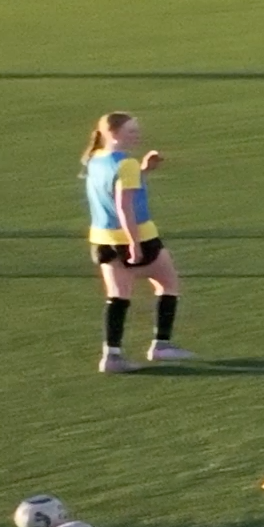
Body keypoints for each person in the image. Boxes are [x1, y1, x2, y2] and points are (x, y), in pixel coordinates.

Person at [79, 111, 188, 373]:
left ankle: (112, 356)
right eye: (131, 131)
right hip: (138, 235)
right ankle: (162, 345)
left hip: (102, 240)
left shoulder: (95, 159)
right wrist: (135, 243)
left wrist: (144, 171)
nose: (137, 135)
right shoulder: (125, 164)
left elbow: (117, 190)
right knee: (168, 283)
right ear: (113, 134)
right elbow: (124, 205)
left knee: (117, 296)